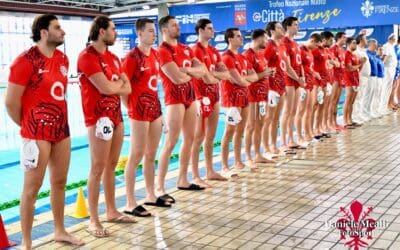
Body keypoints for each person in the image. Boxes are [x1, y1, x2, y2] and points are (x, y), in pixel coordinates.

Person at [5, 14, 84, 249]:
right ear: (43, 32)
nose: (63, 32)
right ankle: (27, 242)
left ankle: (60, 230)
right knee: (31, 189)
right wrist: (29, 127)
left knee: (59, 182)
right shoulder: (25, 61)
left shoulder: (62, 58)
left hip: (62, 130)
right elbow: (11, 103)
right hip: (36, 132)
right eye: (57, 28)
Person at [77, 15, 134, 237]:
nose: (116, 33)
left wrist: (115, 85)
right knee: (98, 168)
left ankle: (111, 210)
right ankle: (93, 220)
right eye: (113, 29)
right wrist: (116, 85)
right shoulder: (87, 57)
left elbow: (126, 88)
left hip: (116, 117)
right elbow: (107, 88)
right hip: (97, 119)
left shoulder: (114, 58)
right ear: (101, 31)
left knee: (111, 165)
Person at [121, 18, 170, 218]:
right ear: (139, 34)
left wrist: (160, 113)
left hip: (155, 110)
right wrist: (132, 109)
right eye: (150, 31)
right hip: (139, 112)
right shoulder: (132, 58)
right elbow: (124, 88)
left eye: (154, 31)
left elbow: (153, 85)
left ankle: (150, 194)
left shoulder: (156, 55)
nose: (154, 34)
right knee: (136, 155)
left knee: (151, 154)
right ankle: (130, 202)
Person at [156, 15, 206, 199]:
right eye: (174, 25)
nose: (178, 27)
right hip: (174, 100)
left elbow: (203, 71)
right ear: (164, 30)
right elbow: (176, 78)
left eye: (178, 24)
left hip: (190, 98)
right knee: (170, 142)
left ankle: (182, 179)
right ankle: (159, 187)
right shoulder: (162, 51)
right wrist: (191, 74)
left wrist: (187, 71)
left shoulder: (185, 49)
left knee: (190, 139)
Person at [190, 18, 230, 188]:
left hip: (214, 96)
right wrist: (213, 76)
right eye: (209, 28)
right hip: (200, 98)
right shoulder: (194, 51)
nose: (213, 31)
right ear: (200, 30)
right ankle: (195, 175)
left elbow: (226, 74)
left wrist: (212, 76)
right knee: (198, 137)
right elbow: (204, 78)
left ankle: (210, 171)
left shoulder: (214, 51)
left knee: (211, 136)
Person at [220, 27, 258, 176]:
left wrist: (245, 80)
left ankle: (238, 162)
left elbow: (253, 77)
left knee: (240, 131)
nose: (241, 39)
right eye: (238, 36)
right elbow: (240, 80)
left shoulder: (243, 58)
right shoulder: (226, 57)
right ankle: (224, 165)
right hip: (231, 100)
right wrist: (245, 80)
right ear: (230, 39)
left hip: (244, 97)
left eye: (241, 36)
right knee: (229, 132)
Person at [242, 29, 274, 167]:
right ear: (259, 38)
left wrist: (268, 73)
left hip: (262, 95)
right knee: (250, 126)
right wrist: (264, 73)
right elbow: (248, 78)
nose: (267, 42)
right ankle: (248, 157)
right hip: (252, 95)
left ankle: (257, 154)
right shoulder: (247, 55)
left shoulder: (261, 55)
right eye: (266, 39)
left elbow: (261, 73)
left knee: (260, 124)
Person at [280, 17, 306, 150]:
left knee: (293, 110)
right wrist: (298, 79)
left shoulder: (295, 44)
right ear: (288, 27)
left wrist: (302, 77)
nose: (298, 27)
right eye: (295, 25)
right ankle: (284, 142)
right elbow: (287, 66)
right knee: (288, 111)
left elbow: (299, 63)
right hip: (289, 80)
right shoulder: (284, 43)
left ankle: (291, 139)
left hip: (296, 80)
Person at [263, 21, 288, 155]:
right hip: (272, 87)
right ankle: (266, 147)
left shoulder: (282, 46)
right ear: (272, 31)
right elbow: (262, 64)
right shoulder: (269, 46)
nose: (282, 29)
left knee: (276, 118)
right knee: (269, 118)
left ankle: (273, 144)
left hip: (281, 86)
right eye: (279, 28)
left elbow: (286, 67)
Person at [312, 31, 335, 138]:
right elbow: (309, 65)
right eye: (330, 40)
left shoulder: (326, 51)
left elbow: (327, 65)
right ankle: (311, 130)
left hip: (325, 82)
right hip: (316, 82)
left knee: (322, 105)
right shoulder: (315, 50)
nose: (331, 43)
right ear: (323, 40)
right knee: (314, 105)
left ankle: (319, 127)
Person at [300, 33, 322, 142]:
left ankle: (308, 133)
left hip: (310, 83)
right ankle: (303, 135)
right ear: (312, 41)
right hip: (303, 84)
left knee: (309, 109)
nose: (317, 48)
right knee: (302, 110)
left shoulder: (310, 52)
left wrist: (314, 73)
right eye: (317, 45)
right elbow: (298, 67)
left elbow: (309, 68)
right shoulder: (301, 50)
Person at [343, 37, 366, 128]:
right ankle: (345, 121)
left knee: (352, 102)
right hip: (349, 80)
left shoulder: (354, 55)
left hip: (355, 80)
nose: (355, 44)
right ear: (348, 44)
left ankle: (350, 120)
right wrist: (360, 64)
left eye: (356, 43)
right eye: (353, 43)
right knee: (348, 101)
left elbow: (358, 69)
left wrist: (362, 63)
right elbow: (350, 68)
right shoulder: (347, 54)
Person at [329, 32, 347, 131]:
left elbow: (342, 65)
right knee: (332, 101)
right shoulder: (333, 49)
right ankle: (330, 122)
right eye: (344, 38)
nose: (345, 40)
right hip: (334, 78)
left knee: (336, 102)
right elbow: (334, 64)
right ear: (338, 38)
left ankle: (335, 122)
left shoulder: (342, 50)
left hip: (341, 78)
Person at [353, 34, 371, 123]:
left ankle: (359, 115)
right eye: (365, 39)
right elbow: (355, 65)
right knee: (358, 97)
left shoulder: (363, 51)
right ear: (361, 40)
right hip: (360, 76)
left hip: (365, 77)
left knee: (362, 96)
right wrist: (361, 63)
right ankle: (354, 117)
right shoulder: (356, 51)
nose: (367, 40)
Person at [380, 34, 398, 115]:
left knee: (390, 88)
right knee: (386, 88)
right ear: (391, 39)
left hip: (392, 70)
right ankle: (385, 106)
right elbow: (384, 58)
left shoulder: (391, 46)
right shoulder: (386, 46)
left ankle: (389, 104)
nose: (395, 40)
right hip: (387, 70)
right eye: (394, 39)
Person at [366, 39, 380, 118]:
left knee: (372, 95)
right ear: (371, 45)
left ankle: (369, 111)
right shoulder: (366, 53)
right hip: (370, 77)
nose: (376, 46)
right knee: (367, 95)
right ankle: (364, 112)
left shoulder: (374, 54)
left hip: (375, 76)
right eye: (375, 45)